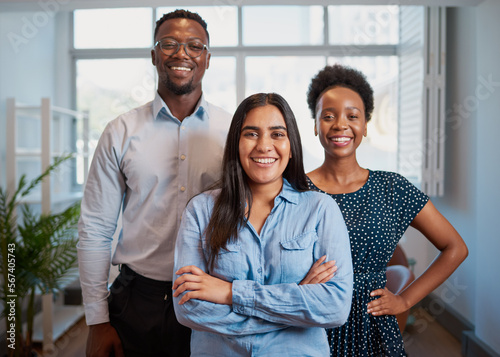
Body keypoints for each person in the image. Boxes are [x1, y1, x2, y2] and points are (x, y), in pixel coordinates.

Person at [77, 9, 231, 357]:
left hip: (211, 295)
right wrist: (97, 321)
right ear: (153, 55)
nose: (182, 54)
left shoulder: (232, 131)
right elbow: (96, 229)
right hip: (135, 301)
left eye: (195, 46)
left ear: (207, 58)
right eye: (169, 44)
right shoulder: (121, 131)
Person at [171, 92, 354, 357]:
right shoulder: (201, 210)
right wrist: (298, 299)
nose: (264, 146)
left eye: (277, 134)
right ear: (236, 143)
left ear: (291, 147)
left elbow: (334, 307)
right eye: (252, 134)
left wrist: (230, 293)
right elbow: (188, 308)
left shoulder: (320, 210)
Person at [305, 63, 468, 356]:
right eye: (328, 116)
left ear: (365, 125)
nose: (340, 124)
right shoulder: (296, 191)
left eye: (352, 116)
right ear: (315, 124)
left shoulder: (392, 188)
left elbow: (455, 247)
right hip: (312, 324)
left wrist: (405, 301)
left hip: (374, 327)